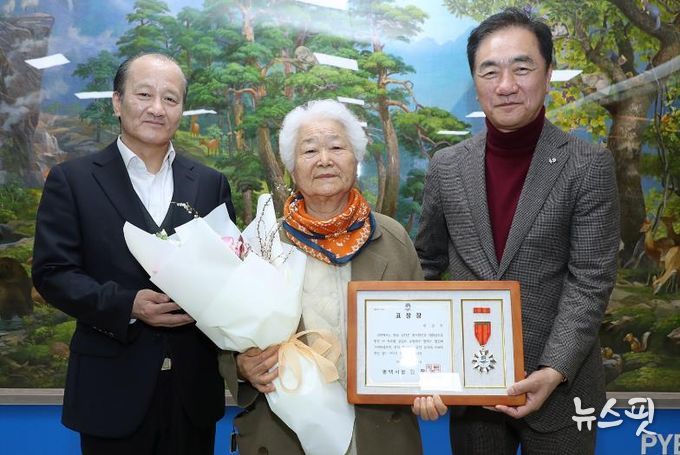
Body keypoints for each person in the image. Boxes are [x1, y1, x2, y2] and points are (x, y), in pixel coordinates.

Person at [415, 8, 619, 455]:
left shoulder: (588, 165)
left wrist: (554, 368)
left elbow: (591, 279)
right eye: (490, 71)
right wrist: (420, 365)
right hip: (471, 386)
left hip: (562, 387)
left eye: (521, 68)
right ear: (476, 82)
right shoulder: (447, 167)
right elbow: (426, 265)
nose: (505, 84)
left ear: (548, 74)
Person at [32, 53, 235, 455]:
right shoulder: (73, 180)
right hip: (110, 390)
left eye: (170, 99)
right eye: (144, 94)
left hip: (192, 393)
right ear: (117, 101)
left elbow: (228, 269)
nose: (157, 108)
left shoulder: (210, 183)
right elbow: (53, 272)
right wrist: (127, 304)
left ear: (181, 110)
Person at [218, 99, 447, 454]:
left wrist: (429, 383)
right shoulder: (262, 241)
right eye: (310, 150)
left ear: (356, 160)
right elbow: (224, 338)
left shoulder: (392, 238)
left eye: (337, 148)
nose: (324, 159)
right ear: (292, 167)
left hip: (377, 433)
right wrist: (241, 366)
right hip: (286, 433)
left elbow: (424, 333)